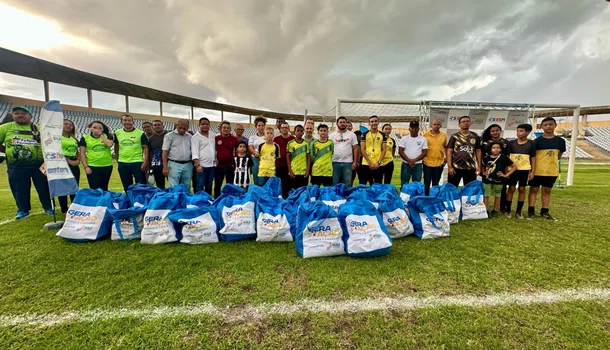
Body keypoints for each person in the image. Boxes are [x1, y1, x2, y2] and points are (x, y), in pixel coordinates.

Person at [0, 106, 53, 219]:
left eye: (23, 113)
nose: (20, 115)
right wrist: (6, 152)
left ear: (30, 116)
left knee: (44, 187)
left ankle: (48, 207)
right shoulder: (5, 128)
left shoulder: (39, 129)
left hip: (39, 165)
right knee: (19, 189)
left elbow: (49, 144)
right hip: (16, 166)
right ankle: (23, 210)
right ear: (13, 115)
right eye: (16, 113)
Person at [527, 117, 565, 221]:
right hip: (537, 170)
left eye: (550, 124)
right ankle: (531, 211)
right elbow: (532, 157)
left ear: (555, 125)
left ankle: (545, 211)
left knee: (547, 190)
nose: (548, 126)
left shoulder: (560, 141)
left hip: (551, 171)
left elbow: (559, 155)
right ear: (542, 127)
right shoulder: (536, 141)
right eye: (545, 125)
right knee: (534, 189)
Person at [506, 124, 536, 219]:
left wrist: (532, 171)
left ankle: (519, 211)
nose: (519, 133)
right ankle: (508, 210)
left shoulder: (531, 143)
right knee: (511, 189)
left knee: (522, 189)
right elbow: (507, 158)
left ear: (527, 132)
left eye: (521, 131)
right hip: (512, 170)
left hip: (524, 170)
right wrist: (506, 170)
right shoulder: (511, 143)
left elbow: (533, 158)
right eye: (518, 131)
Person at [114, 114, 148, 192]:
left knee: (140, 185)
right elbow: (116, 146)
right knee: (126, 186)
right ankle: (129, 201)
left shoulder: (140, 133)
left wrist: (145, 161)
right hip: (123, 163)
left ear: (133, 122)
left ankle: (140, 202)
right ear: (121, 122)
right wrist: (118, 159)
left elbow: (146, 148)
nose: (127, 122)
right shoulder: (117, 133)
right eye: (125, 120)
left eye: (129, 120)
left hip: (137, 162)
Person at [482, 142, 517, 217]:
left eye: (498, 148)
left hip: (499, 180)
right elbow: (482, 165)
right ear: (490, 149)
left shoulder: (503, 157)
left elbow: (514, 166)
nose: (496, 149)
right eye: (494, 148)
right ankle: (485, 209)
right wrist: (483, 172)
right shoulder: (486, 158)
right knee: (486, 195)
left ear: (501, 149)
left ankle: (495, 209)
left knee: (497, 195)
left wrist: (506, 175)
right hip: (487, 180)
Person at [447, 116, 482, 187]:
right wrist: (450, 167)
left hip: (470, 167)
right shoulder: (454, 136)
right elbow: (449, 151)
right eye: (463, 121)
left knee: (469, 190)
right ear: (459, 125)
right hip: (456, 167)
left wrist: (479, 165)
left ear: (470, 123)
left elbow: (478, 151)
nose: (465, 123)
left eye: (467, 121)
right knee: (452, 188)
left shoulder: (475, 136)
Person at [481, 124, 509, 212]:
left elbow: (508, 156)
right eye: (492, 131)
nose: (495, 132)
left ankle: (501, 207)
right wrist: (483, 170)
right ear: (490, 132)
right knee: (486, 190)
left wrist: (506, 171)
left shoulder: (505, 142)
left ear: (500, 131)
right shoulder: (485, 143)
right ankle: (484, 208)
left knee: (501, 189)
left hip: (501, 169)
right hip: (488, 169)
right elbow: (482, 157)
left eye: (497, 130)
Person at [79, 121, 114, 191]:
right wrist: (86, 167)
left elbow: (109, 144)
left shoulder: (108, 136)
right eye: (94, 127)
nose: (97, 129)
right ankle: (95, 202)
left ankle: (104, 202)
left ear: (103, 129)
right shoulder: (85, 138)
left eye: (99, 128)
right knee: (94, 188)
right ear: (90, 128)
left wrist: (101, 135)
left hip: (106, 165)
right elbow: (82, 153)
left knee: (104, 188)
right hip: (92, 166)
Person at [162, 119, 193, 188]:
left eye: (184, 128)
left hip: (188, 164)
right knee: (173, 186)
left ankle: (184, 198)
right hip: (174, 164)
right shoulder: (169, 136)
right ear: (176, 126)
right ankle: (175, 199)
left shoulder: (190, 136)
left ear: (188, 127)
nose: (182, 130)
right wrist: (165, 166)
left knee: (186, 185)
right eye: (180, 128)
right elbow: (165, 151)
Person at [58, 119, 81, 214]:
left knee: (74, 186)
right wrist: (68, 160)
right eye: (65, 124)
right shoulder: (57, 138)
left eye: (70, 125)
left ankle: (74, 206)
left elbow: (78, 151)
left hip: (74, 163)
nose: (68, 126)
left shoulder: (74, 139)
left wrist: (78, 161)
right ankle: (64, 208)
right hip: (61, 163)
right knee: (62, 187)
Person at [330, 117, 358, 187]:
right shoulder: (331, 135)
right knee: (334, 183)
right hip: (334, 162)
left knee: (347, 183)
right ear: (337, 124)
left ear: (346, 123)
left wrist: (355, 162)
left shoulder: (352, 135)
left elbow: (355, 148)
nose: (342, 124)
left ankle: (346, 197)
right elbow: (329, 149)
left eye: (344, 122)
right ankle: (335, 197)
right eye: (340, 122)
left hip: (348, 163)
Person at [398, 121, 428, 185]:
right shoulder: (404, 138)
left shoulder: (423, 139)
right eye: (412, 128)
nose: (414, 129)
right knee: (404, 183)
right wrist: (409, 161)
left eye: (416, 128)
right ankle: (404, 195)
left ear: (418, 129)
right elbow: (400, 151)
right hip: (406, 164)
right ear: (409, 129)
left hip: (418, 164)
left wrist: (414, 160)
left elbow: (425, 152)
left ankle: (415, 195)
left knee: (417, 183)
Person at [422, 118, 447, 195]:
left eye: (438, 124)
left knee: (436, 182)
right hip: (427, 162)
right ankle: (425, 198)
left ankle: (434, 197)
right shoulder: (425, 135)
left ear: (441, 126)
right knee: (426, 182)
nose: (436, 126)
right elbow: (421, 148)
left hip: (439, 163)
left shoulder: (443, 135)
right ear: (431, 125)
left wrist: (446, 158)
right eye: (434, 124)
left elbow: (445, 147)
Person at [191, 117, 216, 195]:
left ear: (209, 125)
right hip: (201, 166)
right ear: (199, 125)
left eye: (207, 124)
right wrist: (198, 165)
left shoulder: (213, 135)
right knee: (200, 185)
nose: (205, 126)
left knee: (209, 185)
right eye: (203, 124)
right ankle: (198, 202)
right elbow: (194, 152)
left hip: (212, 165)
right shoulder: (195, 137)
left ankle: (207, 201)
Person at [360, 115, 387, 185]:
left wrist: (379, 162)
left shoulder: (382, 134)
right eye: (372, 122)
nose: (374, 123)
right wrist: (370, 162)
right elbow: (362, 149)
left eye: (375, 121)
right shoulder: (364, 134)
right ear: (369, 123)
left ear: (378, 122)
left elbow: (384, 149)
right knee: (363, 184)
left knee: (378, 185)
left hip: (378, 164)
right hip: (366, 163)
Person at [215, 121, 238, 197]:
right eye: (224, 127)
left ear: (230, 129)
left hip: (230, 166)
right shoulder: (216, 138)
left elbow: (237, 152)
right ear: (220, 129)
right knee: (217, 185)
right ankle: (216, 199)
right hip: (219, 166)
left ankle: (229, 199)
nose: (226, 129)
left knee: (230, 185)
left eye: (228, 128)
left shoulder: (234, 139)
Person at [274, 122, 295, 198]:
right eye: (283, 128)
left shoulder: (293, 139)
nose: (284, 129)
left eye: (286, 127)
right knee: (281, 184)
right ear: (280, 129)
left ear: (289, 129)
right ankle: (281, 199)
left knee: (290, 184)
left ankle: (290, 198)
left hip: (291, 165)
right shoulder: (276, 139)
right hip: (280, 165)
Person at [287, 125, 310, 191]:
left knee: (303, 190)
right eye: (298, 131)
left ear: (303, 133)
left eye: (301, 131)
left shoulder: (306, 143)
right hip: (294, 171)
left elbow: (308, 157)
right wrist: (290, 170)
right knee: (293, 190)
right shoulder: (290, 143)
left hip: (303, 171)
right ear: (294, 132)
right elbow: (288, 157)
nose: (299, 132)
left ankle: (302, 201)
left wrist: (307, 170)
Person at [147, 119, 167, 189]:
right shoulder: (150, 139)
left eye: (159, 125)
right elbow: (149, 153)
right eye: (155, 125)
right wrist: (150, 166)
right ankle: (162, 199)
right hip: (156, 165)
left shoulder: (168, 136)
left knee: (172, 184)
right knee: (160, 185)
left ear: (163, 126)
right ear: (152, 127)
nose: (157, 126)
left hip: (169, 163)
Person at [248, 116, 267, 187]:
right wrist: (254, 152)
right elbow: (250, 147)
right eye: (259, 125)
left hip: (264, 159)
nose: (261, 127)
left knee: (262, 179)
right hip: (255, 159)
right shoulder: (252, 137)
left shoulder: (267, 136)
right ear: (256, 126)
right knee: (256, 178)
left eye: (262, 125)